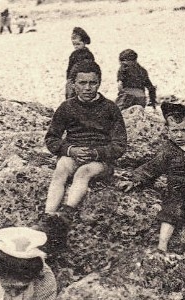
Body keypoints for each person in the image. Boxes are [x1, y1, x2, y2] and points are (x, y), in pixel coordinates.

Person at [40, 61, 127, 253]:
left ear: (99, 83)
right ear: (73, 84)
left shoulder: (110, 108)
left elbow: (120, 145)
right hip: (74, 153)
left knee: (83, 172)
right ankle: (48, 217)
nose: (87, 88)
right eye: (82, 83)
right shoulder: (66, 107)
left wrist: (98, 153)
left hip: (100, 160)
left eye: (92, 83)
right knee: (61, 168)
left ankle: (67, 212)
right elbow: (52, 139)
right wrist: (70, 150)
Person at [120, 102, 185, 258]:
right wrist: (135, 180)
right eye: (174, 131)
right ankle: (162, 248)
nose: (179, 135)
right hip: (176, 194)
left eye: (184, 130)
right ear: (168, 130)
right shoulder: (167, 151)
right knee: (169, 216)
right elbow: (152, 167)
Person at [64, 27, 95, 100]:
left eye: (78, 44)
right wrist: (69, 79)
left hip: (83, 79)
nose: (76, 46)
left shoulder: (88, 55)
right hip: (73, 79)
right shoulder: (73, 54)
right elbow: (69, 67)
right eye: (74, 44)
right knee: (70, 95)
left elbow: (92, 68)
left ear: (84, 42)